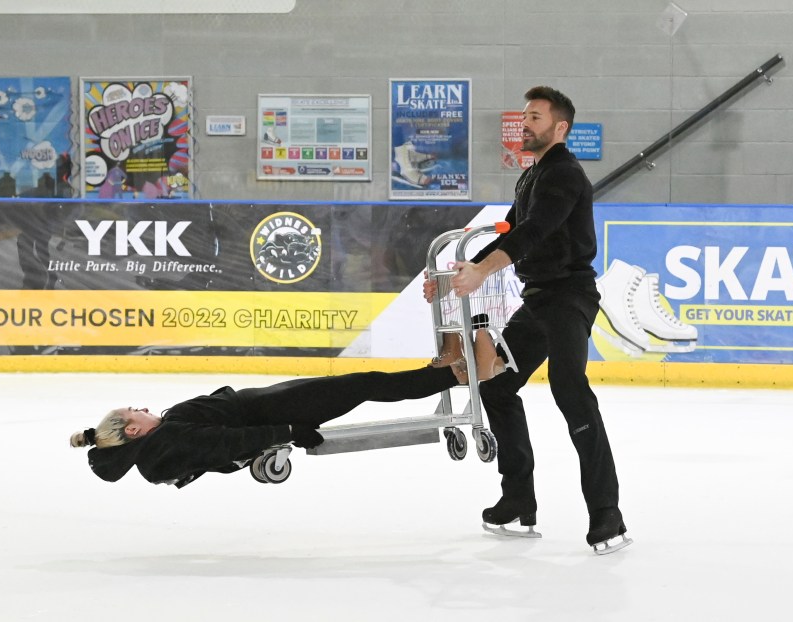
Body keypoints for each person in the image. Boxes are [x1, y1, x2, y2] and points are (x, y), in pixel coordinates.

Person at [423, 86, 629, 553]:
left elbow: (535, 233)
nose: (525, 123)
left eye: (534, 117)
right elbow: (515, 227)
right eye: (523, 116)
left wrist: (480, 272)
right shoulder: (533, 176)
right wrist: (458, 271)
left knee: (569, 389)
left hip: (569, 299)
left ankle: (607, 517)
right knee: (496, 384)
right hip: (538, 302)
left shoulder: (564, 175)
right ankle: (518, 500)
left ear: (560, 128)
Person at [70, 334, 500, 488]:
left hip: (266, 403)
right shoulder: (166, 441)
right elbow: (225, 443)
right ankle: (463, 375)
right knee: (365, 383)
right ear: (133, 431)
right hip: (273, 410)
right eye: (135, 411)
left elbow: (217, 450)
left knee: (362, 384)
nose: (143, 408)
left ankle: (449, 370)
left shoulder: (163, 438)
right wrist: (289, 430)